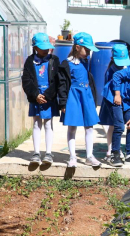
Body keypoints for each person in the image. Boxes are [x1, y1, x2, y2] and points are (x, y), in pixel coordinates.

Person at [58, 32, 101, 168]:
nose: (88, 52)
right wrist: (63, 102)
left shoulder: (85, 61)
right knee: (72, 127)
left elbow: (89, 79)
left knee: (89, 126)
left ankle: (89, 156)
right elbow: (62, 84)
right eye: (86, 49)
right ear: (77, 47)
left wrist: (93, 99)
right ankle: (72, 157)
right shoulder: (67, 63)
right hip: (74, 97)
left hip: (86, 96)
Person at [22, 33, 60, 165]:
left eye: (47, 47)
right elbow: (26, 80)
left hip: (49, 97)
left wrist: (48, 95)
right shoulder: (29, 61)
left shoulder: (54, 60)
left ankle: (48, 153)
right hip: (36, 98)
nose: (45, 50)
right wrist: (35, 95)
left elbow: (57, 80)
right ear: (35, 47)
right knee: (37, 123)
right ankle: (36, 152)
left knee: (48, 124)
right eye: (42, 47)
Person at [98, 44, 130, 163]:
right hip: (112, 100)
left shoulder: (125, 68)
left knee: (115, 125)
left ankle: (113, 149)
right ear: (112, 59)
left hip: (121, 100)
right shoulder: (111, 71)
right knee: (115, 125)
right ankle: (111, 150)